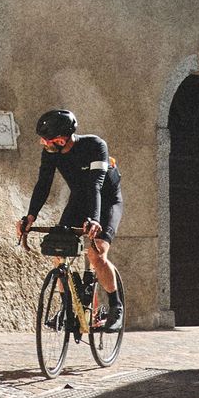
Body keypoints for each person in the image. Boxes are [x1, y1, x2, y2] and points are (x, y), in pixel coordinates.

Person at [16, 108, 124, 329]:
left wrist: (94, 220)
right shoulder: (51, 152)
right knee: (58, 248)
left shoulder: (95, 146)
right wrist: (30, 217)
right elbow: (43, 184)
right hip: (79, 199)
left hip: (106, 200)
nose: (42, 144)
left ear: (61, 139)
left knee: (96, 254)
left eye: (46, 140)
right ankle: (67, 312)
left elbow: (96, 185)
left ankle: (116, 307)